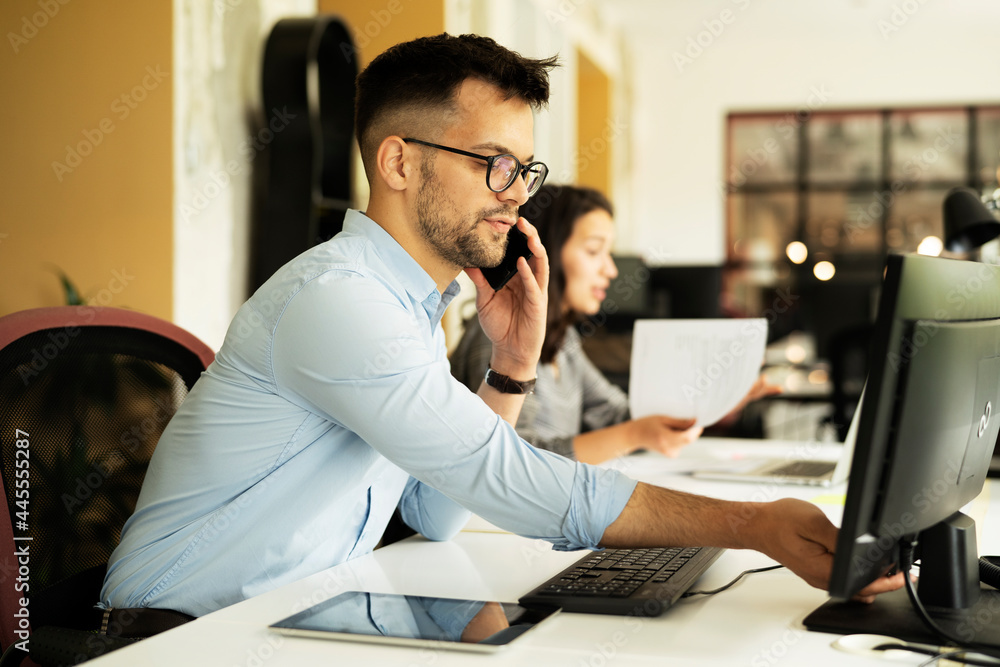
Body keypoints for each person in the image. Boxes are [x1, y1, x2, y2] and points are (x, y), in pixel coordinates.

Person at [100, 33, 902, 624]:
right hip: (177, 634)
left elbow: (438, 508)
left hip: (292, 615)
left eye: (524, 168)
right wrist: (751, 523)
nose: (516, 192)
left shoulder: (405, 306)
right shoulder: (335, 300)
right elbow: (504, 482)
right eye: (494, 161)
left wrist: (514, 363)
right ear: (399, 162)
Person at [451, 183, 778, 464]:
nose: (610, 270)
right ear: (543, 251)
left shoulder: (564, 342)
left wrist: (720, 392)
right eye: (594, 251)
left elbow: (620, 416)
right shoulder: (496, 338)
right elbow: (518, 460)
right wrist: (635, 434)